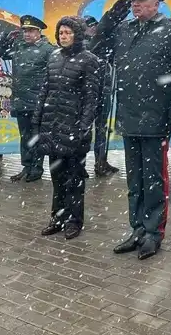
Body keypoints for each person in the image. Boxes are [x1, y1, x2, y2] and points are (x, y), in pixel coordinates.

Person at [91, 0, 171, 260]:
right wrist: (110, 19)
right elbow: (98, 48)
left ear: (156, 3)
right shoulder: (124, 30)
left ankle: (153, 232)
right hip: (130, 116)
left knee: (154, 180)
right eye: (133, 1)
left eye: (142, 0)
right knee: (134, 180)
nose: (136, 5)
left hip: (155, 117)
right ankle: (136, 228)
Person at [35, 17, 101, 240]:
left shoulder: (89, 60)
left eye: (68, 32)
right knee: (57, 177)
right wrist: (38, 118)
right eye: (61, 32)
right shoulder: (53, 57)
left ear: (77, 35)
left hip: (73, 127)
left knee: (74, 179)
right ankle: (58, 216)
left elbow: (92, 97)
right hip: (53, 126)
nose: (63, 36)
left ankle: (74, 220)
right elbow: (46, 89)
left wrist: (83, 126)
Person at [0, 15, 55, 183]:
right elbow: (1, 54)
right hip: (21, 100)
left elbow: (53, 75)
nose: (27, 34)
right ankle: (26, 166)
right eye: (25, 31)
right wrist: (5, 40)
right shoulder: (19, 47)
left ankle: (36, 169)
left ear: (39, 32)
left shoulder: (48, 50)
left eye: (30, 31)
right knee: (25, 136)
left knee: (36, 136)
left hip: (38, 101)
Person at [84, 15, 119, 177]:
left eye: (94, 25)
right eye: (90, 26)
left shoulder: (104, 43)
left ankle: (101, 161)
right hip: (86, 94)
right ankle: (80, 164)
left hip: (104, 92)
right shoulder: (82, 44)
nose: (93, 28)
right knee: (84, 130)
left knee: (102, 129)